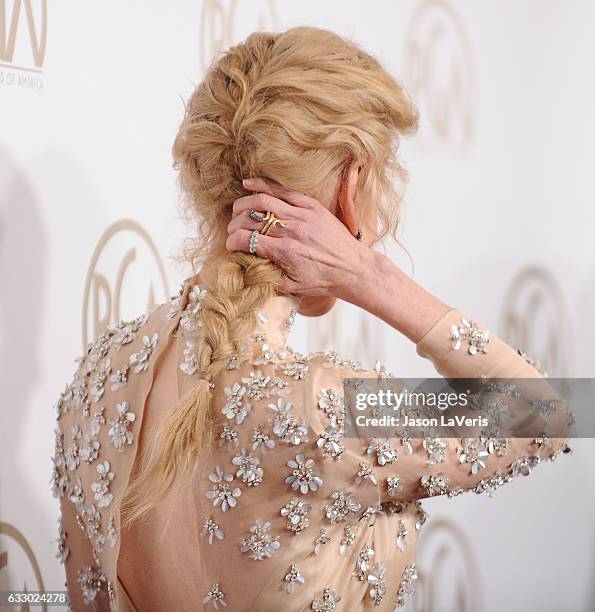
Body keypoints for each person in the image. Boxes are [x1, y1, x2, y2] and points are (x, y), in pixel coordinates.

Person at [51, 26, 572, 611]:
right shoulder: (320, 405)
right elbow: (542, 414)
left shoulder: (96, 380)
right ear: (352, 185)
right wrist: (368, 276)